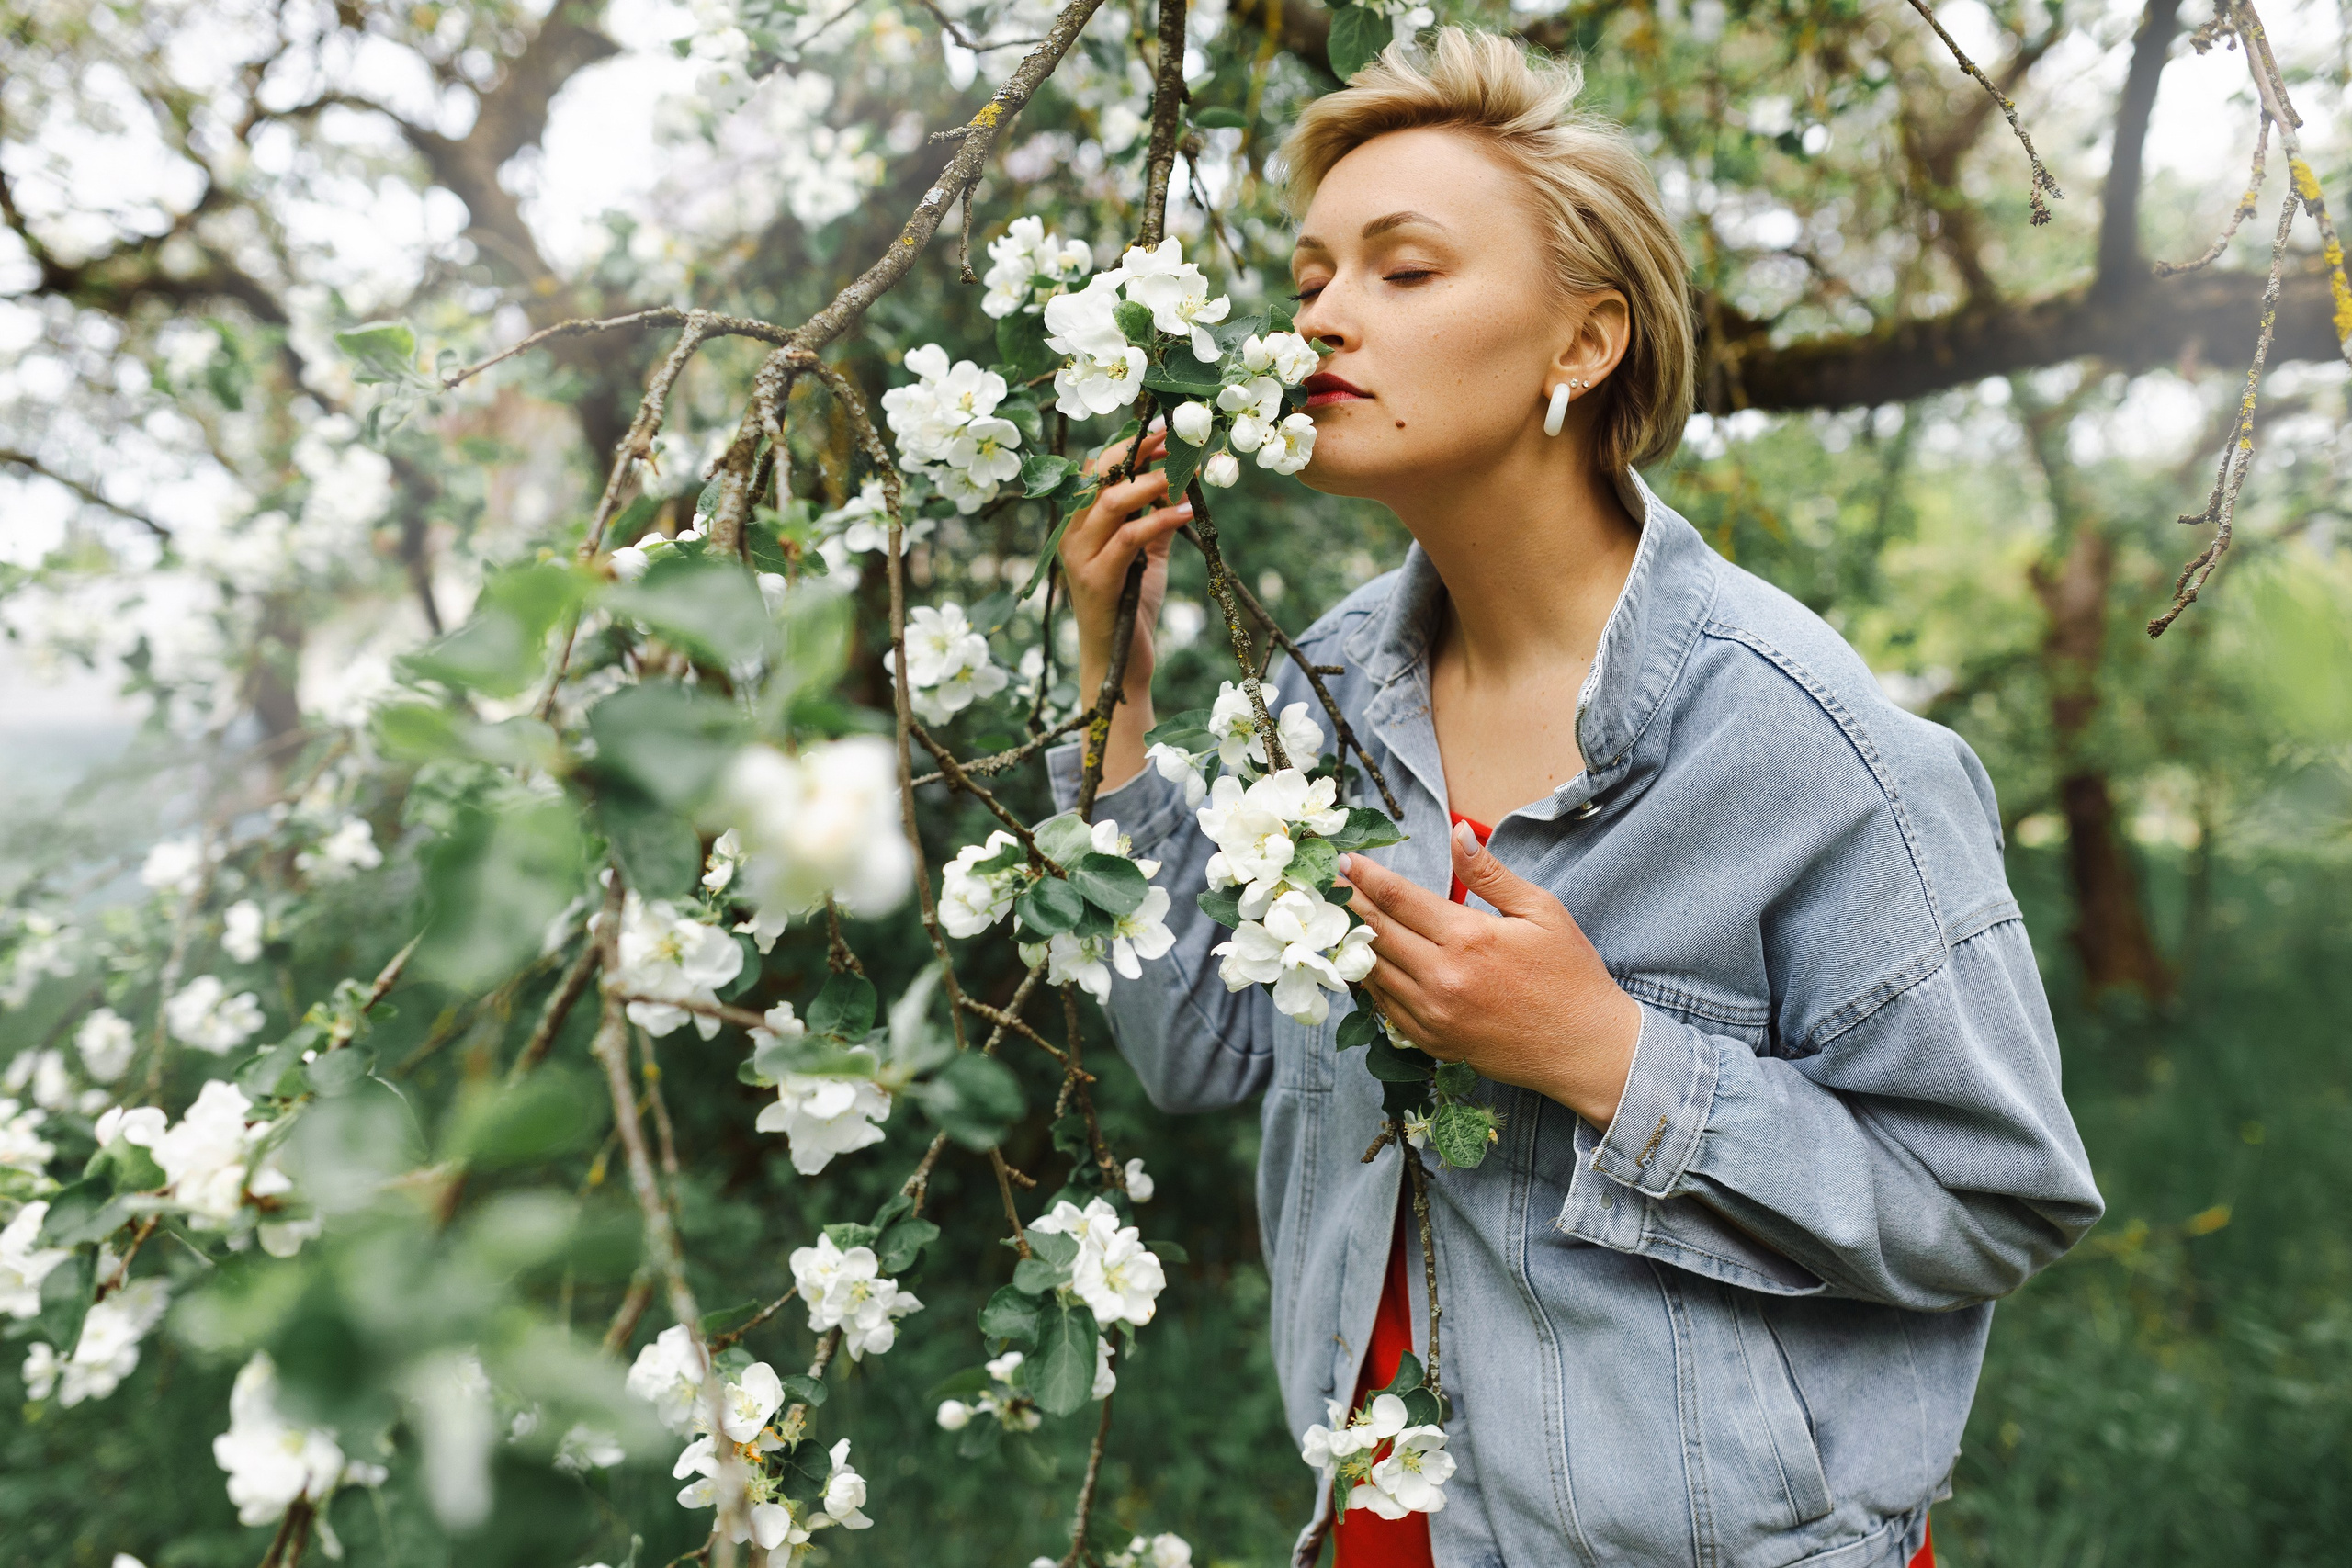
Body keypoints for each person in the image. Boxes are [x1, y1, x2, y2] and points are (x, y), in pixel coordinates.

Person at [1046, 28, 2102, 1568]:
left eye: (1405, 269)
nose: (1320, 316)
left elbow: (1994, 1201)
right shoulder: (1324, 694)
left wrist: (1607, 1056)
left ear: (1582, 344)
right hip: (1391, 1526)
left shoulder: (1802, 742)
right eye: (1309, 277)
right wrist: (1117, 702)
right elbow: (1203, 1051)